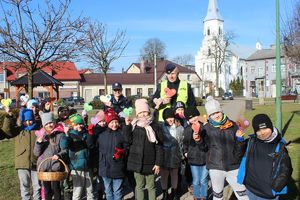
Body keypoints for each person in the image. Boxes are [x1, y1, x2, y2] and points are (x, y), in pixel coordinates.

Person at [237, 114, 293, 200]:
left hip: (267, 194)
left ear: (270, 126)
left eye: (265, 128)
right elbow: (238, 154)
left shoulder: (280, 146)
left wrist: (275, 187)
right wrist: (240, 141)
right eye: (258, 130)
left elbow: (286, 170)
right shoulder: (251, 142)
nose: (262, 132)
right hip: (251, 189)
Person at [203, 96, 248, 200]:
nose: (216, 115)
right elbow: (203, 147)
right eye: (212, 114)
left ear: (221, 111)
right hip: (215, 168)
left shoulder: (233, 125)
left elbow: (239, 150)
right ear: (209, 116)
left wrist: (240, 140)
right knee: (217, 196)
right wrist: (198, 139)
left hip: (233, 166)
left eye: (217, 112)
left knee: (243, 195)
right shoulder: (206, 128)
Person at [123, 98, 164, 200]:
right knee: (139, 186)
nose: (143, 114)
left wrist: (158, 163)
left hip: (151, 163)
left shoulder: (154, 126)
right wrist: (127, 126)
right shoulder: (134, 126)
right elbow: (127, 140)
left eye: (145, 112)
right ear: (137, 114)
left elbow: (159, 146)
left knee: (151, 186)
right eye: (140, 113)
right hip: (137, 163)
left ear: (149, 112)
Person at [3, 107, 41, 200]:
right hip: (22, 162)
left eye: (30, 120)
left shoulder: (37, 131)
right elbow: (7, 130)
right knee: (24, 186)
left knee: (37, 186)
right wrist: (9, 117)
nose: (28, 122)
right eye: (26, 120)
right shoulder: (18, 131)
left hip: (35, 162)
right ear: (22, 120)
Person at [61, 114, 95, 200]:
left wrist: (90, 133)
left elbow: (91, 145)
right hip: (76, 167)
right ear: (72, 126)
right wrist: (66, 134)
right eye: (76, 124)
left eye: (80, 124)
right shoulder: (70, 135)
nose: (79, 126)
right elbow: (64, 146)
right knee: (77, 191)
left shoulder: (85, 133)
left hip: (88, 166)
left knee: (90, 190)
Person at [34, 112, 67, 200]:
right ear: (44, 125)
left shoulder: (60, 135)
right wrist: (38, 143)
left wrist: (59, 155)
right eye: (47, 123)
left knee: (57, 189)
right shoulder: (41, 136)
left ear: (54, 122)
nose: (49, 125)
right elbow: (36, 153)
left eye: (51, 122)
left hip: (55, 165)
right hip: (44, 167)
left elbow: (65, 150)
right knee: (47, 190)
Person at [97, 109, 126, 200]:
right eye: (112, 122)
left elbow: (127, 146)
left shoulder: (121, 133)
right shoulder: (101, 134)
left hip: (118, 167)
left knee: (117, 191)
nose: (114, 124)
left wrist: (122, 152)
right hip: (105, 168)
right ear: (107, 123)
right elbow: (92, 145)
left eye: (116, 122)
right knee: (108, 191)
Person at [183, 107, 208, 200]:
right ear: (188, 120)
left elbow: (208, 142)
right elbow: (185, 143)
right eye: (190, 118)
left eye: (195, 116)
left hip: (205, 158)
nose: (193, 119)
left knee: (204, 180)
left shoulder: (205, 127)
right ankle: (197, 196)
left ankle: (204, 196)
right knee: (196, 180)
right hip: (193, 159)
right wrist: (185, 152)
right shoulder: (187, 130)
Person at [160, 108, 184, 200]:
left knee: (175, 176)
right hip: (165, 156)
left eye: (171, 117)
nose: (170, 119)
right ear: (164, 119)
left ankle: (174, 194)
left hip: (175, 155)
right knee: (164, 176)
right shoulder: (161, 127)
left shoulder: (179, 127)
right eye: (167, 118)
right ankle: (165, 194)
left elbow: (181, 142)